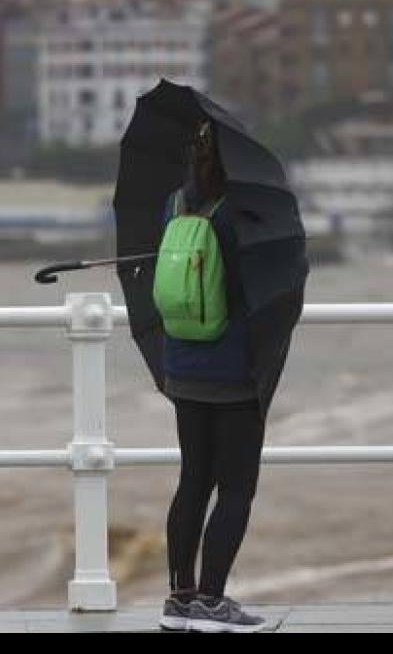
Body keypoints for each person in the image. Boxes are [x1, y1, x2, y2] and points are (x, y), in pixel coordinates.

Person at [158, 121, 268, 634]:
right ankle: (213, 601)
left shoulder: (176, 205)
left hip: (182, 363)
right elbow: (261, 292)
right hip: (234, 370)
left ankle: (180, 600)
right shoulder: (240, 214)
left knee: (193, 479)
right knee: (237, 487)